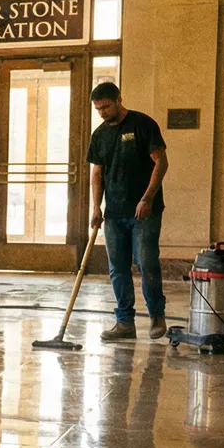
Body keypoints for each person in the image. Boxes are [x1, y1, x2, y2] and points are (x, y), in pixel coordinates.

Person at [87, 81, 169, 340]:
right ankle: (124, 322)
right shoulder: (99, 135)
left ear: (119, 100)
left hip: (144, 211)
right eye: (98, 109)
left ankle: (156, 315)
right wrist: (96, 207)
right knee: (117, 268)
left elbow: (161, 162)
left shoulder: (143, 124)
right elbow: (97, 173)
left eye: (106, 107)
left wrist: (147, 198)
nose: (102, 113)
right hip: (114, 212)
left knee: (146, 263)